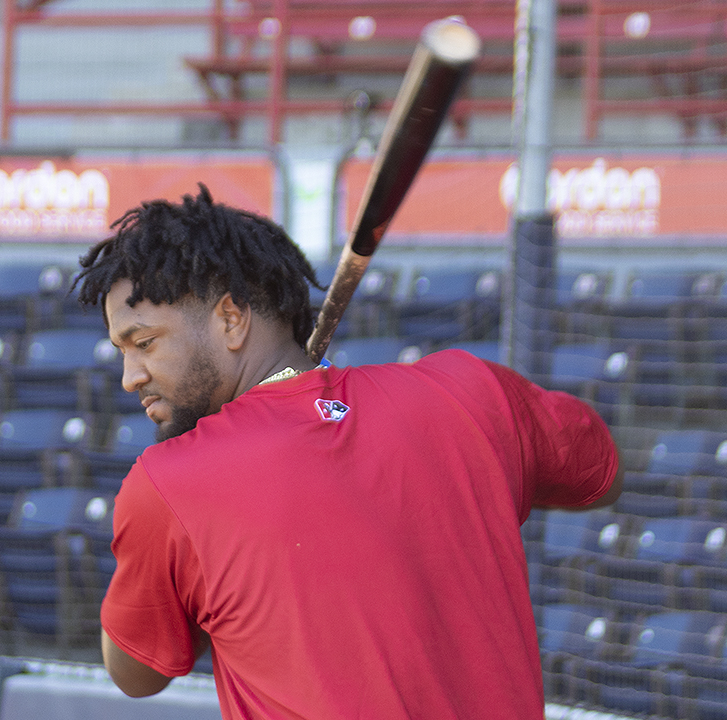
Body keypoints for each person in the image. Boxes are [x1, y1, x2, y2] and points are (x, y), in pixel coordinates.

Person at [72, 184, 623, 719]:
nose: (130, 377)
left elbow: (136, 674)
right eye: (122, 351)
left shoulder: (169, 484)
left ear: (231, 319)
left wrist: (178, 572)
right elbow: (601, 473)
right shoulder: (470, 391)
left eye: (144, 343)